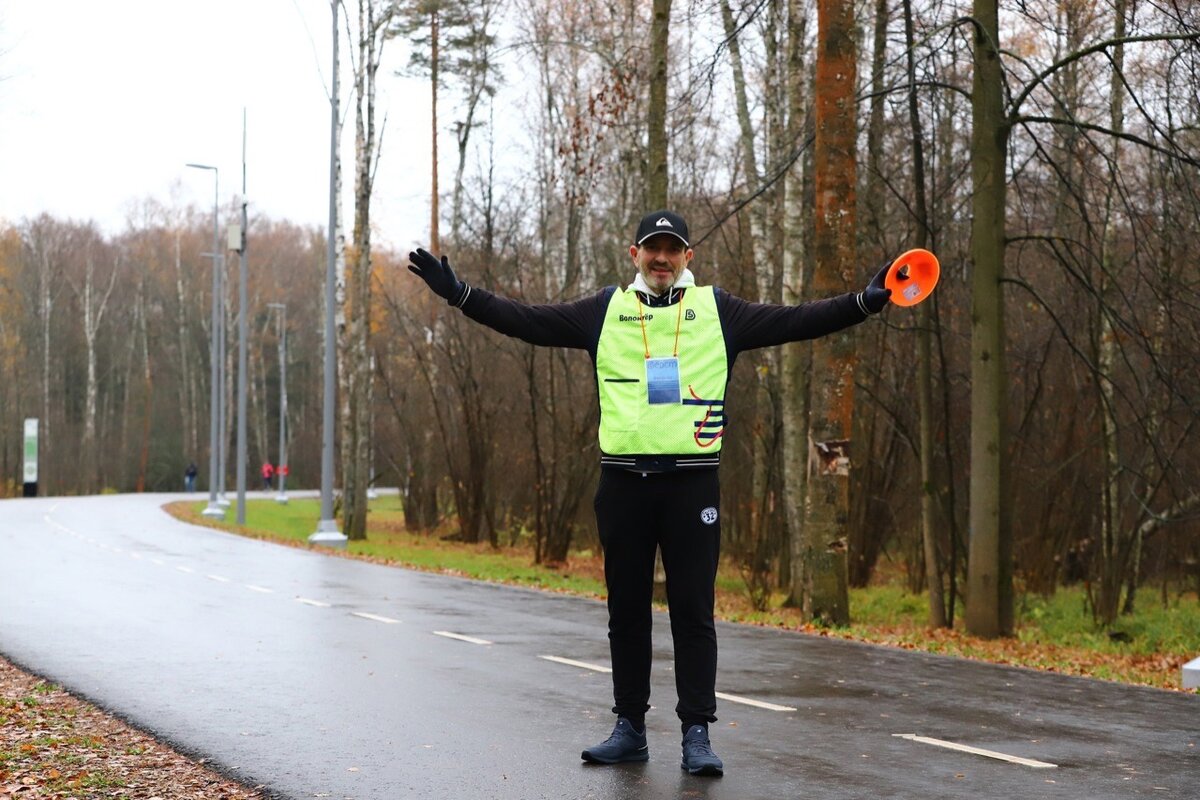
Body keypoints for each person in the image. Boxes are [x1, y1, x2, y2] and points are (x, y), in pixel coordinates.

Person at [407, 210, 895, 777]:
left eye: (673, 248)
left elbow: (796, 321)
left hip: (692, 485)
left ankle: (696, 734)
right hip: (623, 485)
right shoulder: (604, 310)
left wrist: (865, 301)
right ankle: (630, 729)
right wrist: (460, 295)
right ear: (633, 252)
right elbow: (527, 321)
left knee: (694, 612)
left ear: (688, 257)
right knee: (627, 614)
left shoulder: (719, 311)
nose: (662, 257)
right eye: (652, 248)